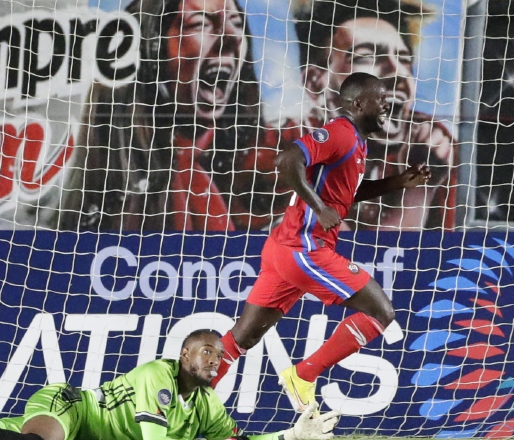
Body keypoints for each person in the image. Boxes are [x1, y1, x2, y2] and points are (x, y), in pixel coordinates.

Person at [210, 73, 432, 412]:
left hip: (285, 249)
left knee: (243, 337)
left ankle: (184, 400)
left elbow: (346, 195)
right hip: (304, 248)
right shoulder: (340, 133)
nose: (387, 103)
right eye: (380, 97)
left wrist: (398, 182)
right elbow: (287, 160)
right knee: (380, 312)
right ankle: (303, 375)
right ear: (358, 104)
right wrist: (319, 206)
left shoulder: (358, 142)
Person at [0, 330, 341, 440]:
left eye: (220, 356)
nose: (215, 359)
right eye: (207, 351)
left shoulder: (206, 404)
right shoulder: (156, 377)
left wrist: (288, 439)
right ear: (185, 354)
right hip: (74, 407)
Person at [58, 0, 278, 232]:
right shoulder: (101, 201)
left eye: (237, 22)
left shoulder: (254, 177)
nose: (233, 37)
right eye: (200, 23)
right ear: (151, 52)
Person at [280, 0, 454, 230]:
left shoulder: (434, 146)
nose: (398, 72)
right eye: (367, 57)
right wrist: (418, 193)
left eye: (404, 60)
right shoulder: (284, 149)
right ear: (314, 82)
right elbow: (361, 254)